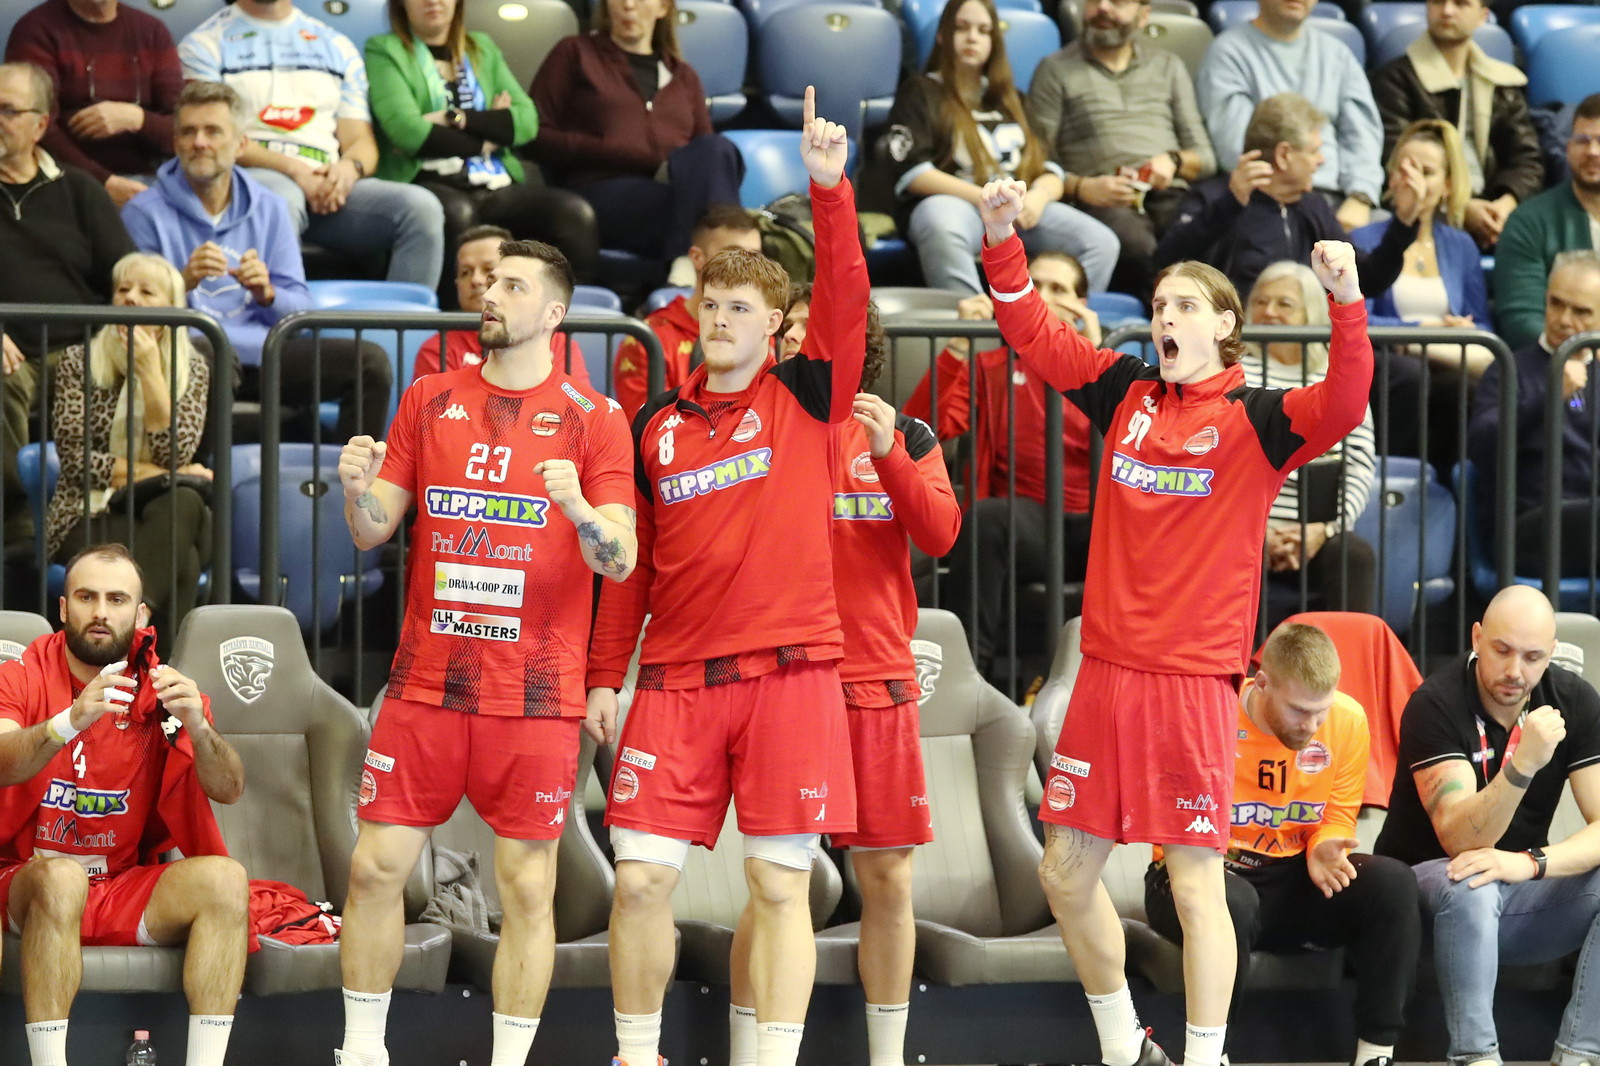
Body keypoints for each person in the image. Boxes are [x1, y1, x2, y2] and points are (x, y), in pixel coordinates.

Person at [976, 172, 1372, 1066]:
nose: (1164, 316)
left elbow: (1346, 403)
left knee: (1197, 886)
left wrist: (1347, 302)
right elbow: (1033, 332)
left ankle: (1204, 1057)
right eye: (1158, 305)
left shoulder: (1259, 419)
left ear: (1225, 325)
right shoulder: (1124, 392)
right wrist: (1001, 238)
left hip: (1192, 685)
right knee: (1063, 876)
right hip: (1106, 677)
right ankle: (1125, 1045)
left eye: (1185, 305)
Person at [584, 89, 864, 1066]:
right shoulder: (654, 425)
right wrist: (604, 675)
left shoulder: (808, 398)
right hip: (674, 682)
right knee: (638, 882)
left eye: (740, 308)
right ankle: (636, 1055)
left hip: (790, 674)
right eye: (709, 304)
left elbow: (846, 300)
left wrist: (829, 190)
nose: (719, 319)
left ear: (777, 326)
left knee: (781, 886)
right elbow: (628, 572)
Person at [333, 238, 636, 1066]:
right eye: (489, 281)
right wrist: (356, 491)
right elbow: (371, 532)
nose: (491, 293)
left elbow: (621, 559)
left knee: (528, 887)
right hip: (426, 681)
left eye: (513, 284)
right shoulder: (430, 398)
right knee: (374, 870)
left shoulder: (596, 418)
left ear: (555, 312)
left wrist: (580, 511)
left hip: (535, 691)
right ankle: (361, 1052)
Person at [725, 286, 960, 1066]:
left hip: (876, 676)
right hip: (784, 676)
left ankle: (886, 1058)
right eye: (788, 330)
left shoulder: (907, 433)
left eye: (812, 330)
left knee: (889, 880)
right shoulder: (754, 429)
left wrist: (888, 451)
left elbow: (939, 534)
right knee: (777, 883)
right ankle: (749, 1054)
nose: (797, 341)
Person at [0, 542, 248, 1066]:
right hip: (26, 879)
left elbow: (229, 788)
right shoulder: (21, 674)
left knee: (226, 879)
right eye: (86, 597)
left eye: (116, 600)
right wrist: (68, 721)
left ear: (140, 616)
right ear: (63, 608)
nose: (100, 612)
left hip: (115, 884)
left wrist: (199, 727)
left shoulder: (159, 691)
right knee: (61, 879)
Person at [1145, 622, 1421, 1066]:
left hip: (1291, 874)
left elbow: (1337, 816)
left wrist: (1322, 846)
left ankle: (1376, 1053)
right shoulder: (1209, 717)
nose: (1311, 726)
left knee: (1393, 883)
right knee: (1230, 901)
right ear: (1262, 684)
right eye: (1298, 711)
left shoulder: (1348, 720)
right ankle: (1211, 1055)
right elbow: (1177, 828)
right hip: (1197, 874)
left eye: (1321, 711)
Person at [1375, 585, 1600, 1066]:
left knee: (1489, 876)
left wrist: (1531, 864)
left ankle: (1578, 1054)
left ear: (1551, 654)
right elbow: (1460, 840)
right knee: (1473, 877)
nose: (1515, 670)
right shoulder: (1435, 703)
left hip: (1515, 889)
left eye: (1533, 657)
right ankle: (1476, 1056)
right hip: (1424, 893)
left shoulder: (1574, 700)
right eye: (1502, 650)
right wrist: (1523, 765)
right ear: (1477, 637)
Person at [120, 80, 392, 441]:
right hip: (188, 356)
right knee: (208, 350)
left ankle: (355, 476)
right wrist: (181, 282)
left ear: (240, 144)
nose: (199, 142)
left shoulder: (270, 207)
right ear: (175, 144)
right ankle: (198, 472)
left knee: (369, 362)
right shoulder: (143, 212)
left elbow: (301, 311)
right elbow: (132, 312)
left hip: (265, 355)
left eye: (213, 131)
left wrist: (267, 293)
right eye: (188, 132)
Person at [903, 251, 1096, 679]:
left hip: (1096, 526)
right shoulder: (990, 368)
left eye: (1058, 289)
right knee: (988, 519)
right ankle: (966, 679)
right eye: (1035, 286)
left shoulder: (1102, 367)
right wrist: (958, 345)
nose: (1044, 297)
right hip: (1027, 524)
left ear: (1081, 307)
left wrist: (1096, 355)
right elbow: (920, 428)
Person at [177, 0, 445, 290]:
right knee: (281, 200)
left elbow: (360, 141)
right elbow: (213, 139)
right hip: (255, 178)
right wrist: (296, 171)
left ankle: (406, 319)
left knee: (421, 208)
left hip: (329, 188)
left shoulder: (336, 45)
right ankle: (275, 315)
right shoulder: (204, 44)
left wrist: (348, 169)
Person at [884, 0, 1117, 297]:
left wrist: (1038, 197)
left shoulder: (1013, 99)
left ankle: (1051, 322)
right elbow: (915, 174)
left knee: (1101, 242)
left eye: (983, 31)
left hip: (1019, 209)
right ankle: (971, 318)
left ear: (994, 41)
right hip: (958, 205)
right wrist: (986, 198)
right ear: (942, 35)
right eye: (962, 28)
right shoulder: (921, 92)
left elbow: (1051, 170)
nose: (972, 38)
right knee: (940, 220)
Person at [364, 0, 600, 293]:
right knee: (458, 214)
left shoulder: (482, 48)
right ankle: (455, 318)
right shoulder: (385, 50)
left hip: (493, 182)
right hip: (428, 180)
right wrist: (490, 132)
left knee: (574, 213)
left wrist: (454, 118)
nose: (432, 1)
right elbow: (409, 133)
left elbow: (526, 121)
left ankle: (571, 318)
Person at [0, 60, 135, 551]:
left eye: (8, 110)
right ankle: (19, 531)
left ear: (40, 124)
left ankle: (111, 523)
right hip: (10, 352)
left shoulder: (78, 190)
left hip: (80, 348)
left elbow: (124, 274)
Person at [45, 253, 212, 642]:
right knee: (183, 556)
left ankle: (134, 625)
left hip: (159, 512)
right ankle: (156, 663)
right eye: (123, 288)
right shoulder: (79, 361)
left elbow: (175, 453)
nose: (130, 297)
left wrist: (151, 374)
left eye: (146, 291)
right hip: (88, 511)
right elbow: (79, 462)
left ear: (171, 308)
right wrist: (168, 476)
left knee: (183, 502)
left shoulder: (193, 368)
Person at [527, 0, 743, 270]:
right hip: (599, 190)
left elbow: (706, 157)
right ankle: (712, 268)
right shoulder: (575, 52)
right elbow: (532, 135)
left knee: (716, 148)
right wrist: (610, 150)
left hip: (670, 188)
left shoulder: (684, 76)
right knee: (699, 213)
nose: (628, 5)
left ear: (663, 8)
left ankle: (693, 266)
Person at [1025, 0, 1217, 295]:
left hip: (1170, 193)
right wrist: (1083, 188)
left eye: (1118, 2)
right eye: (1094, 0)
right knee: (1136, 245)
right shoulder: (1055, 69)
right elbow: (1036, 161)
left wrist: (1174, 161)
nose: (1103, 8)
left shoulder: (1168, 66)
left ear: (1143, 15)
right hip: (1103, 197)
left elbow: (1206, 158)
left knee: (1212, 231)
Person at [1156, 93, 1422, 303]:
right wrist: (1230, 204)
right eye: (1314, 151)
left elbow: (1366, 279)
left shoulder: (1313, 206)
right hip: (1236, 346)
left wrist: (1404, 224)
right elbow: (1165, 266)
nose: (1321, 160)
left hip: (1310, 348)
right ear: (1283, 155)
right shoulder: (1213, 199)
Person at [1242, 262, 1378, 630]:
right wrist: (1258, 531)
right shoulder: (1231, 371)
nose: (1269, 312)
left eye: (1284, 304)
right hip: (1244, 529)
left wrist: (1325, 529)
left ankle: (1348, 663)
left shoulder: (1339, 379)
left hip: (1315, 530)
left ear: (1312, 314)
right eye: (1260, 302)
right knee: (1231, 549)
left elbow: (1358, 466)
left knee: (1354, 555)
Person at [1195, 0, 1385, 234]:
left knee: (1392, 233)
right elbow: (1237, 146)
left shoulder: (1338, 54)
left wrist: (1360, 197)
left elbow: (1362, 135)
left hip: (1338, 199)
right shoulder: (1227, 52)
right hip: (1267, 197)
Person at [1369, 0, 1542, 251]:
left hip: (1495, 210)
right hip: (1429, 207)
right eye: (1438, 2)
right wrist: (1462, 207)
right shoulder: (1395, 79)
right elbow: (1396, 159)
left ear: (1483, 16)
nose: (1447, 11)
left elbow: (1527, 159)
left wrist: (1505, 205)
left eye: (1461, 3)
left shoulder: (1503, 83)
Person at [1468, 250, 1600, 577]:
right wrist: (1550, 396)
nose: (1564, 319)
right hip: (1526, 526)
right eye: (1556, 303)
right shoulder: (1508, 368)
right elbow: (1482, 446)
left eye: (1581, 311)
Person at [5, 0, 183, 207]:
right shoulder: (37, 30)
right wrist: (102, 182)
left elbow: (183, 126)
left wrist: (137, 119)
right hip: (65, 184)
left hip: (149, 183)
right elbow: (36, 127)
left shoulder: (152, 31)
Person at [613, 203, 764, 419]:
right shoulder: (648, 341)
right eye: (732, 256)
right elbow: (647, 429)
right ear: (697, 258)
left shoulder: (765, 333)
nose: (747, 268)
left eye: (755, 257)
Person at [409, 224, 587, 385]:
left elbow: (578, 406)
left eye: (488, 270)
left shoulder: (560, 344)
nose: (477, 280)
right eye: (465, 272)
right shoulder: (437, 348)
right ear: (456, 284)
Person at [1493, 93, 1600, 352]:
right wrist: (1581, 356)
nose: (1593, 151)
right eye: (1582, 140)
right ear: (1567, 148)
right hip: (1555, 367)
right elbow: (1521, 321)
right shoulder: (1529, 222)